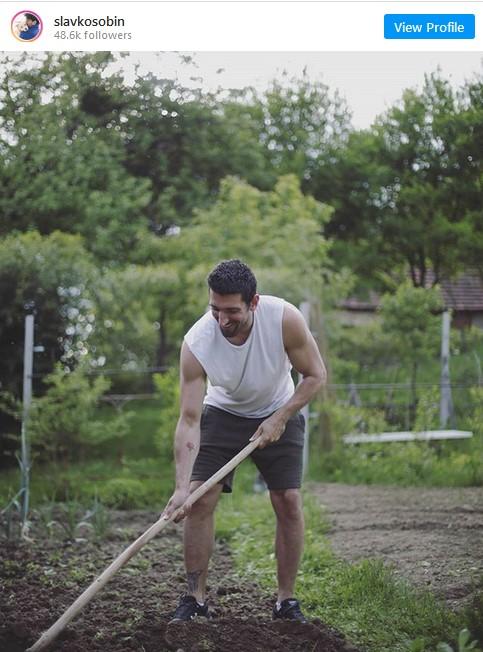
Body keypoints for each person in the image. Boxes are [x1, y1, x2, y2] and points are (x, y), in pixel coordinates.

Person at [163, 259, 326, 623]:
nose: (222, 320)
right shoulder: (197, 343)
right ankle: (195, 599)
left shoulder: (284, 319)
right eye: (215, 309)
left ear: (254, 302)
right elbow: (189, 419)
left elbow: (315, 375)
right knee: (199, 497)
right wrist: (180, 488)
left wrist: (280, 417)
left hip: (279, 406)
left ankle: (286, 601)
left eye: (232, 311)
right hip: (223, 413)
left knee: (288, 500)